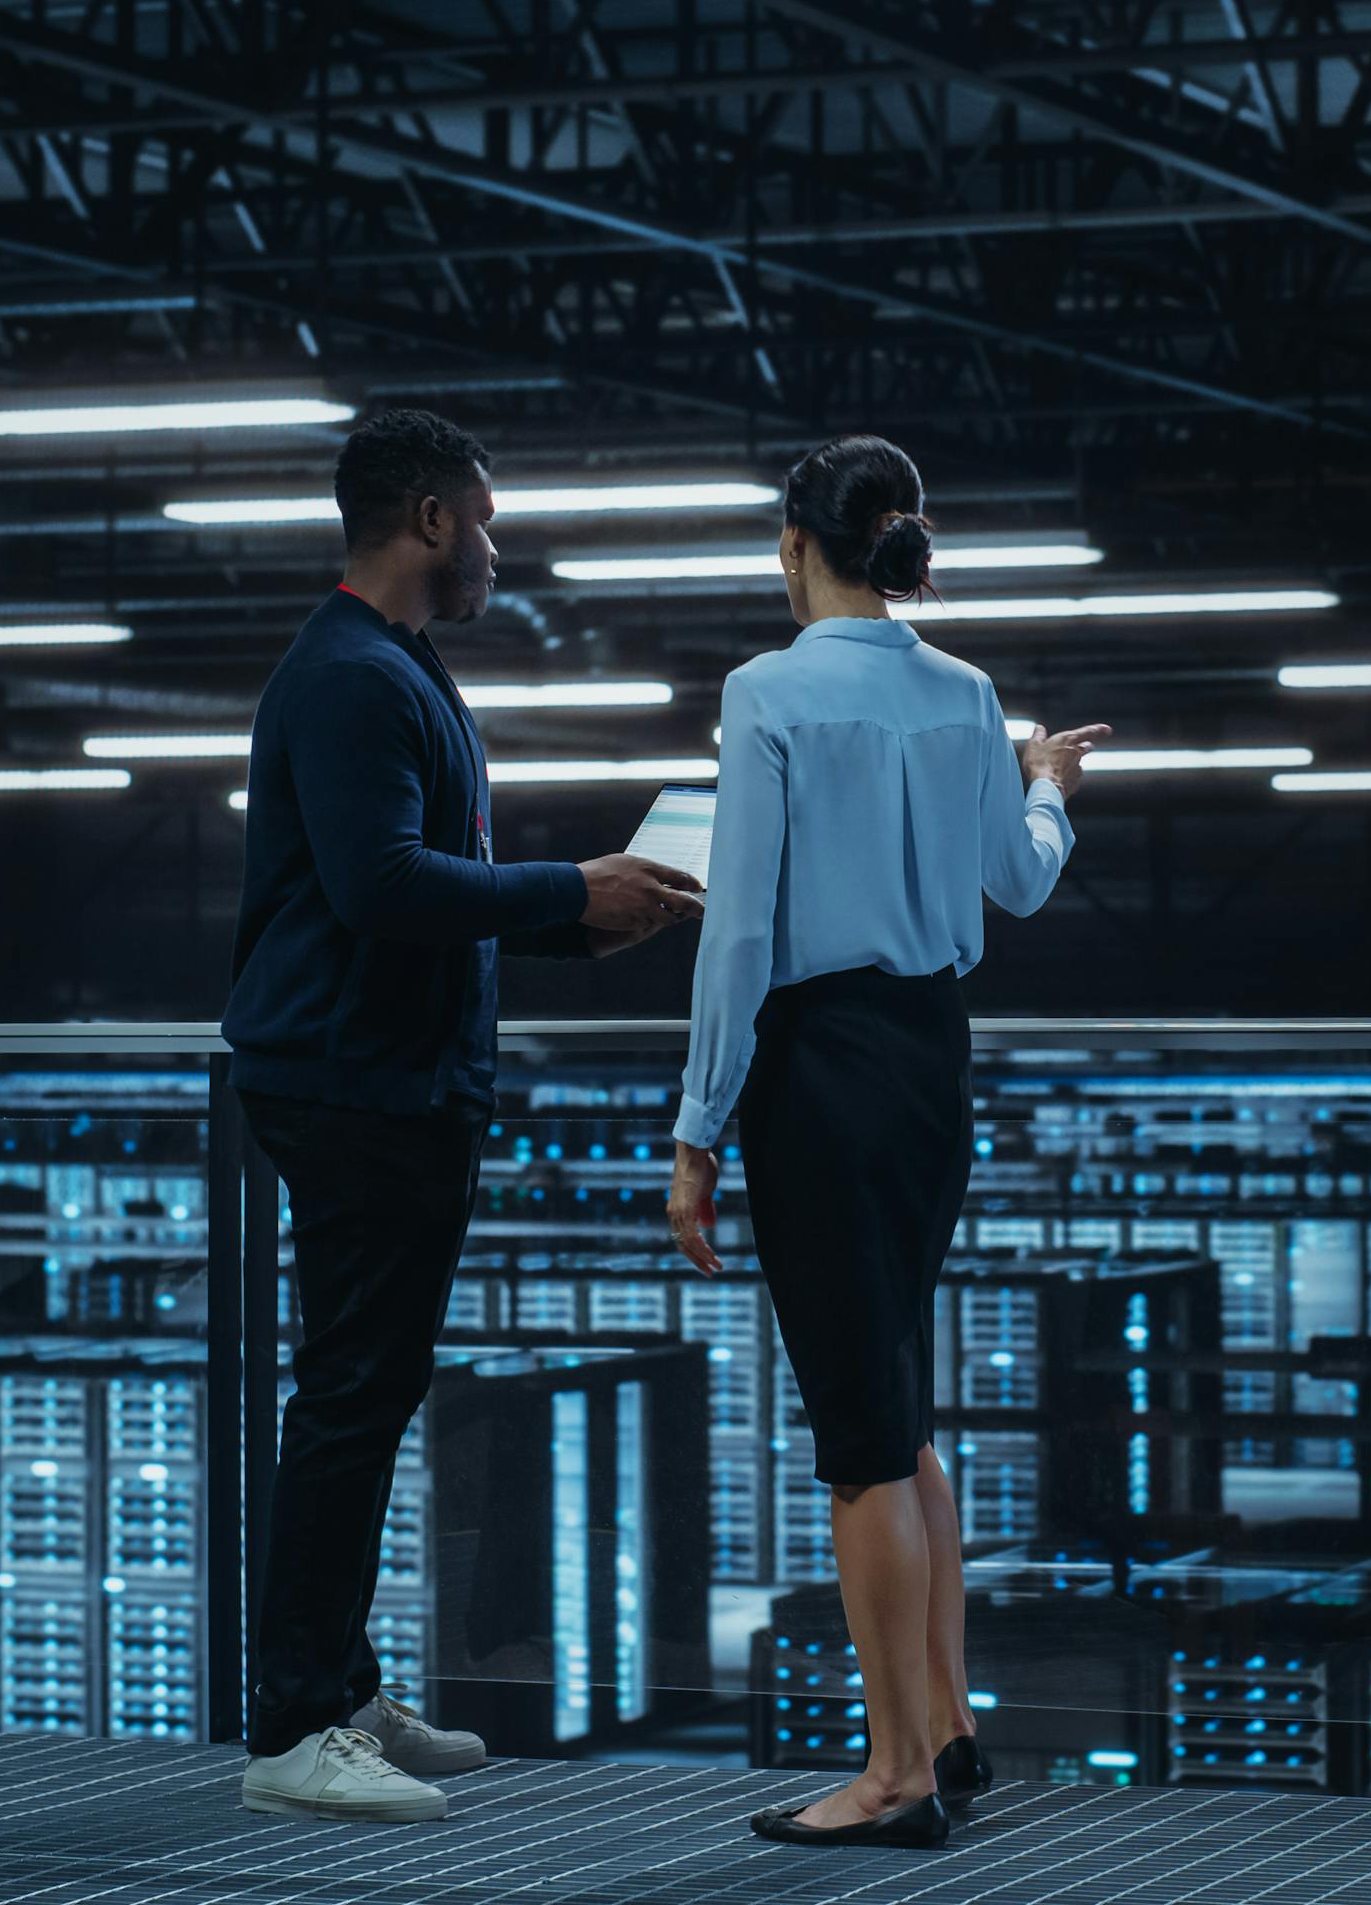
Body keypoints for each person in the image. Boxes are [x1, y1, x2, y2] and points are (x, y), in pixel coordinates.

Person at [224, 405, 704, 1823]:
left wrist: (585, 921)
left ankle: (340, 1691)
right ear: (431, 519)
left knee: (366, 1401)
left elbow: (428, 884)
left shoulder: (396, 667)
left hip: (392, 1078)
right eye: (484, 521)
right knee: (348, 1404)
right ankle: (295, 1731)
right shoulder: (351, 677)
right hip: (356, 1082)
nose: (496, 549)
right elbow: (380, 887)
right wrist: (569, 888)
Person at [664, 435, 1107, 1849]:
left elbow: (739, 933)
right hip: (929, 1063)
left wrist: (699, 1127)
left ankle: (895, 1775)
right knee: (899, 1406)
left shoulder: (768, 691)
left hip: (820, 1070)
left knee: (859, 1438)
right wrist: (1044, 782)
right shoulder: (965, 692)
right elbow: (1018, 882)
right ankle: (950, 1724)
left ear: (795, 548)